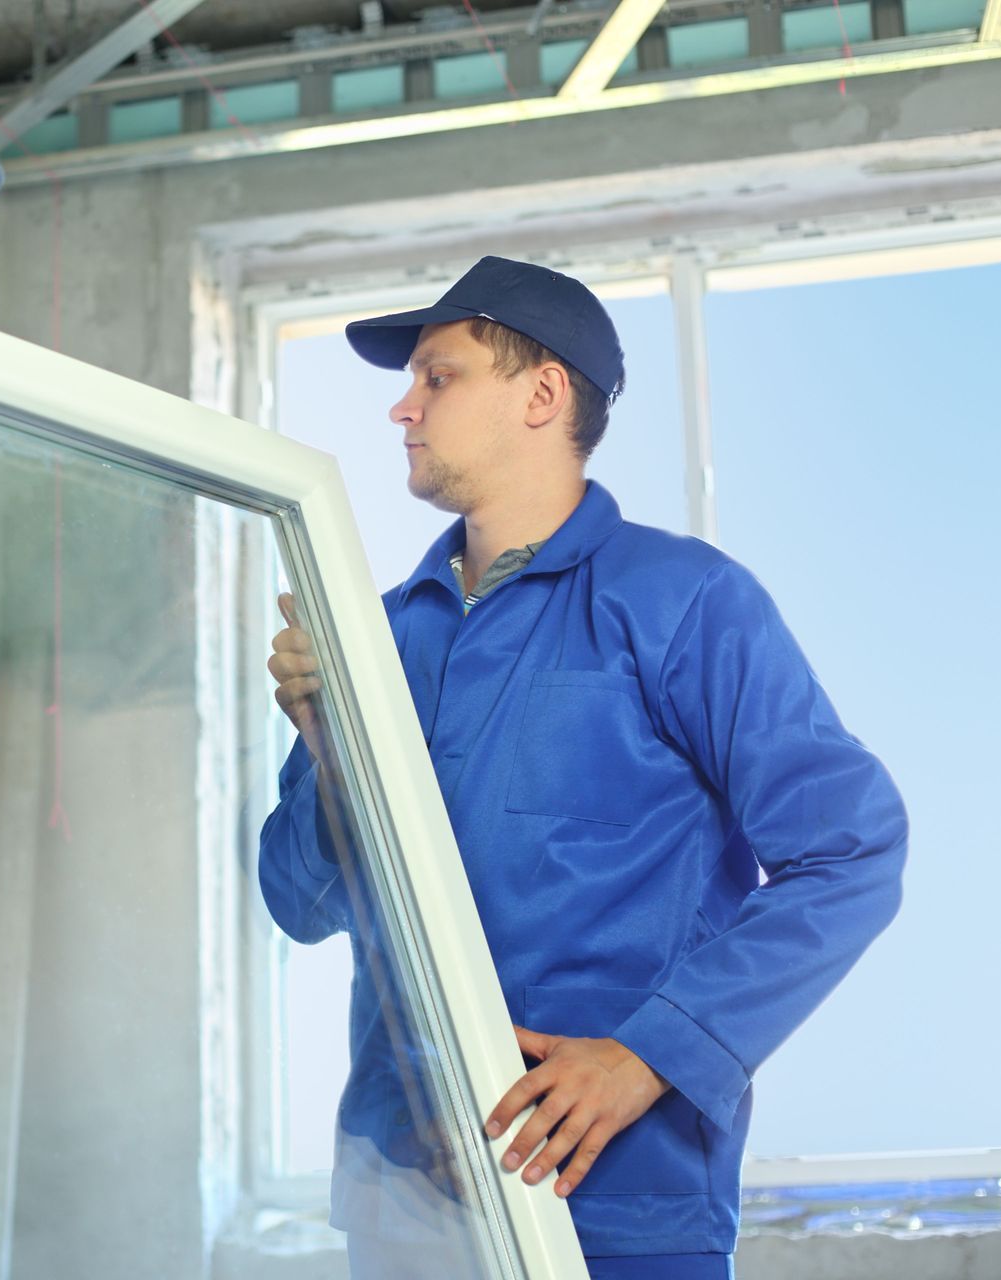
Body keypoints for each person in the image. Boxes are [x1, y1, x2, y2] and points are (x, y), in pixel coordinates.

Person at [259, 255, 908, 1279]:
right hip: (405, 1209)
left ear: (542, 392)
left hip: (617, 1212)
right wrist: (329, 752)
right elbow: (299, 903)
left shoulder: (684, 603)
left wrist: (652, 1052)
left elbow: (853, 849)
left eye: (439, 375)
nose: (403, 407)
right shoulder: (374, 636)